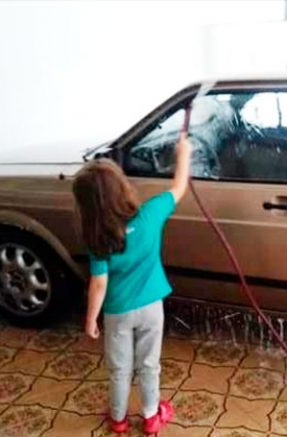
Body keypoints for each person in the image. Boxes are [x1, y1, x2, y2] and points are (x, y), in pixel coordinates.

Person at [72, 133, 192, 434]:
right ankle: (151, 417)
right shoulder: (150, 214)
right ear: (122, 187)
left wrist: (91, 319)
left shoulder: (98, 237)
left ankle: (118, 418)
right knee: (149, 364)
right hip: (151, 307)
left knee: (119, 368)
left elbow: (99, 283)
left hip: (118, 312)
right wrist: (183, 155)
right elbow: (179, 187)